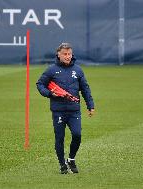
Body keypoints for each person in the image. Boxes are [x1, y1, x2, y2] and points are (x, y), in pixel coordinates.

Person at [36, 43, 95, 174]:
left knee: (77, 134)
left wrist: (90, 105)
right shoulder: (51, 70)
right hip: (58, 110)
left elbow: (85, 89)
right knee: (60, 138)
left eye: (69, 54)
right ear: (59, 54)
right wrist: (50, 94)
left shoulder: (78, 70)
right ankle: (62, 164)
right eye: (65, 54)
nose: (68, 56)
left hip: (74, 110)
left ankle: (71, 159)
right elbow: (40, 84)